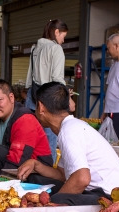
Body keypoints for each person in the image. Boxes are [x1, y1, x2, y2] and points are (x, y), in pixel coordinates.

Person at [18, 82, 119, 204]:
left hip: (111, 198)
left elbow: (82, 179)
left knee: (55, 200)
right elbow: (62, 175)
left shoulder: (69, 131)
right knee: (35, 179)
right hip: (99, 193)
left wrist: (52, 204)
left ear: (41, 107)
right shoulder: (71, 127)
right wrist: (35, 164)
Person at [0, 79, 52, 178]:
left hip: (35, 173)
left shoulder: (25, 119)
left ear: (11, 98)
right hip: (12, 164)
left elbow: (18, 158)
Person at [25, 19, 68, 158]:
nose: (63, 40)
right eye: (63, 36)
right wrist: (67, 95)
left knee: (32, 137)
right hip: (49, 100)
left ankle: (32, 167)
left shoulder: (35, 48)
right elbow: (57, 78)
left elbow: (30, 76)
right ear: (56, 32)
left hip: (33, 97)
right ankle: (47, 173)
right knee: (50, 139)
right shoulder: (56, 49)